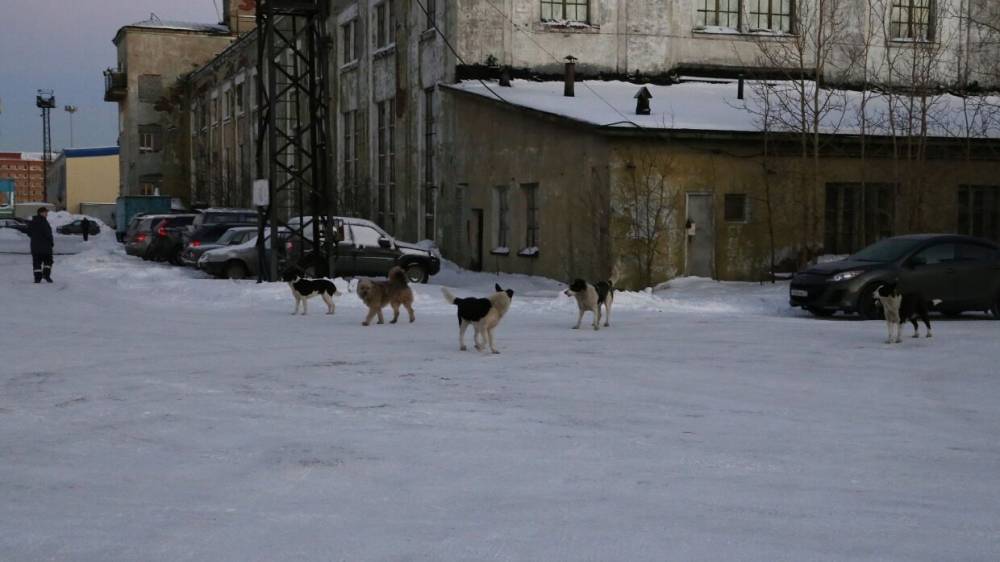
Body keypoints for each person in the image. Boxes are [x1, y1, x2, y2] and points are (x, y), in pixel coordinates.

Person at [27, 207, 54, 283]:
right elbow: (48, 234)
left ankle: (37, 279)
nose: (47, 214)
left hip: (35, 247)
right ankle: (46, 275)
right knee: (48, 262)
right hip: (46, 247)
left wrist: (35, 238)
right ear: (40, 213)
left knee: (37, 263)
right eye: (45, 212)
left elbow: (28, 232)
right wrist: (51, 242)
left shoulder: (32, 222)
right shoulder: (43, 222)